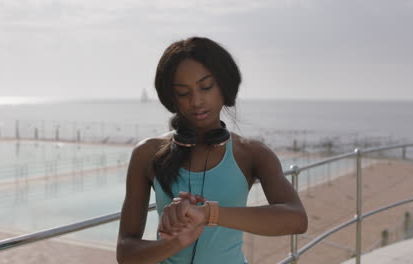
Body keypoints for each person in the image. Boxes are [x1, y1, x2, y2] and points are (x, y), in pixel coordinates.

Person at [116, 37, 307, 264]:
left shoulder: (252, 154)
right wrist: (175, 243)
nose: (196, 101)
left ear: (223, 86)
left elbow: (296, 219)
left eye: (206, 87)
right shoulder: (147, 153)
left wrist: (208, 214)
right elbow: (126, 253)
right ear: (172, 98)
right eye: (183, 93)